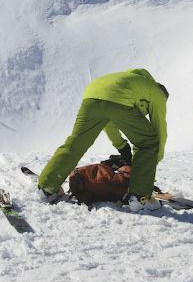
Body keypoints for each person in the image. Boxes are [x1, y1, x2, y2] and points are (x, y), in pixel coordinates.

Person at [36, 69, 168, 211]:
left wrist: (122, 146)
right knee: (149, 143)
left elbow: (108, 120)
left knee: (76, 143)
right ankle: (141, 198)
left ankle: (47, 188)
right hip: (117, 98)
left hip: (91, 94)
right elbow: (159, 129)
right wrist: (150, 163)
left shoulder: (133, 83)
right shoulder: (157, 92)